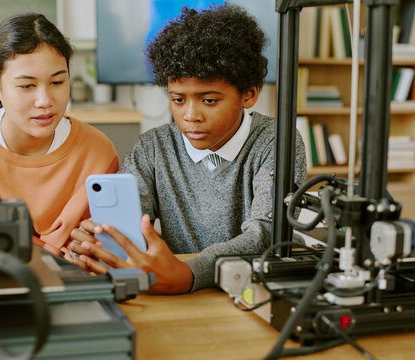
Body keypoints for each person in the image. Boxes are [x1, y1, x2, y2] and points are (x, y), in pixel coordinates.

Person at [68, 5, 306, 294]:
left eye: (208, 100)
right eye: (178, 100)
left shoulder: (277, 141)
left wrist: (191, 272)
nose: (190, 115)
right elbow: (128, 223)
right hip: (180, 293)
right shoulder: (153, 147)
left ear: (249, 94)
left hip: (252, 290)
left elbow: (268, 234)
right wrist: (101, 240)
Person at [0, 13, 119, 255]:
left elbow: (106, 248)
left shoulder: (98, 152)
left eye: (57, 82)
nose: (45, 101)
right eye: (27, 86)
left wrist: (91, 249)